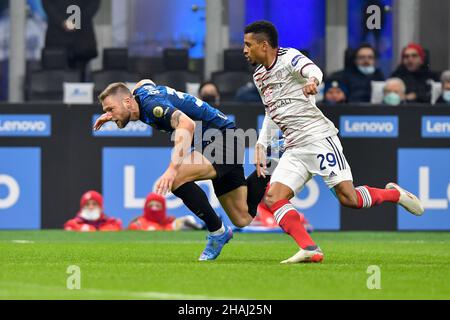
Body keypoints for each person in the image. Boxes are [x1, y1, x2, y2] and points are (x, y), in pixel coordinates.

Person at [244, 20, 424, 263]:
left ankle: (394, 195)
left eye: (248, 45)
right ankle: (309, 248)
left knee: (350, 199)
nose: (245, 50)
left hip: (319, 138)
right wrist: (260, 143)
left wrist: (313, 82)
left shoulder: (289, 58)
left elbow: (313, 70)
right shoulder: (258, 75)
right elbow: (270, 111)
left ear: (264, 45)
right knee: (274, 197)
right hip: (293, 147)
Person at [94, 80, 269, 261]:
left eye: (110, 109)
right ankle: (270, 163)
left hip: (222, 139)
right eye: (106, 111)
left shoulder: (153, 106)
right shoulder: (140, 93)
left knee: (176, 177)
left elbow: (187, 125)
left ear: (128, 102)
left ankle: (217, 232)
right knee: (242, 218)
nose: (108, 115)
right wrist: (116, 113)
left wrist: (171, 169)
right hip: (222, 138)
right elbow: (145, 82)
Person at [42, 0, 100, 80]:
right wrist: (62, 21)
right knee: (55, 79)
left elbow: (93, 4)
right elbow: (47, 4)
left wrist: (76, 21)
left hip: (81, 38)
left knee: (80, 79)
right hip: (57, 37)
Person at [128, 192, 203, 231]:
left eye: (157, 206)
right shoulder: (138, 223)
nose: (154, 209)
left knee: (187, 219)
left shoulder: (170, 221)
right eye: (151, 206)